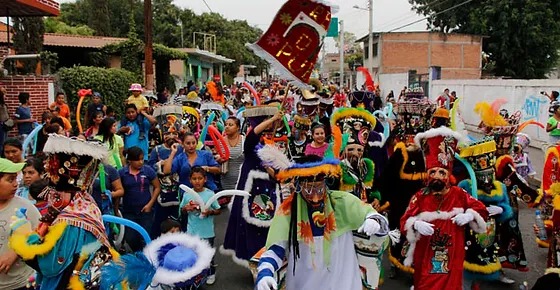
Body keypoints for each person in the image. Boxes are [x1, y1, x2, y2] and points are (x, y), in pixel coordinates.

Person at [255, 156, 389, 290]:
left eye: (319, 189)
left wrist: (374, 219)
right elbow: (275, 249)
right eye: (308, 190)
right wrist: (265, 273)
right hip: (304, 283)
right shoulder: (288, 211)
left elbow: (373, 217)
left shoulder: (341, 202)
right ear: (297, 186)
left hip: (343, 282)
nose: (315, 198)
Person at [8, 134, 117, 288]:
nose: (51, 198)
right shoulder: (87, 205)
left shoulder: (71, 219)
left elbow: (50, 266)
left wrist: (21, 234)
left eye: (55, 194)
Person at [400, 127, 488, 290]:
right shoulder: (420, 196)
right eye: (433, 172)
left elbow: (481, 209)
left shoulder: (459, 194)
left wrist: (470, 215)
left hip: (453, 255)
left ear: (448, 175)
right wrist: (415, 224)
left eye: (442, 172)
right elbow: (404, 220)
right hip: (425, 253)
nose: (438, 176)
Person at [458, 139, 515, 287]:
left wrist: (501, 209)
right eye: (482, 175)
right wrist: (468, 214)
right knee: (468, 261)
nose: (486, 179)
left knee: (490, 255)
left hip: (491, 231)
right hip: (470, 231)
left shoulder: (500, 187)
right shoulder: (465, 185)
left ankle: (494, 276)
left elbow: (507, 208)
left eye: (489, 174)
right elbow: (457, 206)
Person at [0, 158, 41, 290]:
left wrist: (16, 251)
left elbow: (40, 234)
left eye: (16, 179)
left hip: (18, 284)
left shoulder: (25, 207)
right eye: (10, 180)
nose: (16, 184)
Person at [180, 166, 221, 285]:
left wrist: (209, 212)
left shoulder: (210, 194)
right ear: (190, 180)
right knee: (192, 254)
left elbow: (218, 210)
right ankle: (195, 275)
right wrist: (186, 208)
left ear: (205, 179)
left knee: (208, 255)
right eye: (194, 179)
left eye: (200, 178)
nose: (197, 181)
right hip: (191, 231)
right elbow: (182, 210)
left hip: (207, 232)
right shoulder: (187, 195)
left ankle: (211, 273)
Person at [118, 146, 160, 252]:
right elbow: (119, 191)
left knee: (145, 237)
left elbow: (157, 187)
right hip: (129, 211)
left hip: (146, 210)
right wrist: (116, 210)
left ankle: (146, 259)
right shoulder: (122, 173)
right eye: (137, 160)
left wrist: (150, 204)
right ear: (130, 160)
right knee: (131, 237)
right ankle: (137, 255)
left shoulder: (148, 171)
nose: (141, 162)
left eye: (142, 159)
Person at [148, 127, 180, 237]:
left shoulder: (181, 149)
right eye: (167, 133)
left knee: (177, 219)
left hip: (177, 189)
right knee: (159, 219)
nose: (171, 136)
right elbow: (150, 167)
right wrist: (160, 165)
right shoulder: (157, 150)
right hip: (162, 191)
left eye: (174, 133)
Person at [219, 117, 245, 190]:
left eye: (230, 125)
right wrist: (218, 159)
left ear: (238, 127)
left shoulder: (244, 140)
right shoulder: (220, 141)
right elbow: (215, 161)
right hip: (226, 181)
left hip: (242, 180)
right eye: (226, 125)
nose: (227, 127)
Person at [0, 89, 11, 155]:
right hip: (2, 125)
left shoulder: (3, 104)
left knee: (4, 142)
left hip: (5, 125)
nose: (5, 96)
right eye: (4, 94)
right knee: (2, 143)